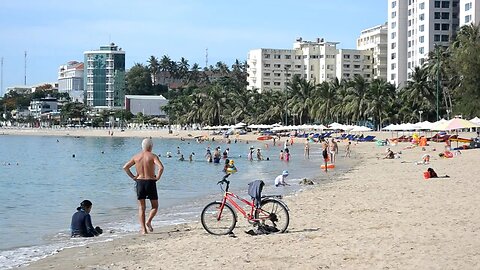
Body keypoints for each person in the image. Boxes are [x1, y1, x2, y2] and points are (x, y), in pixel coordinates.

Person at [123, 138, 165, 234]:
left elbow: (125, 167)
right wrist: (157, 177)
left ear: (142, 146)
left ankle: (143, 229)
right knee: (155, 206)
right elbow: (161, 167)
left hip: (140, 182)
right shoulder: (153, 156)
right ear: (151, 146)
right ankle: (149, 221)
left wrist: (133, 177)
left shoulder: (136, 157)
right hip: (150, 182)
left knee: (142, 207)